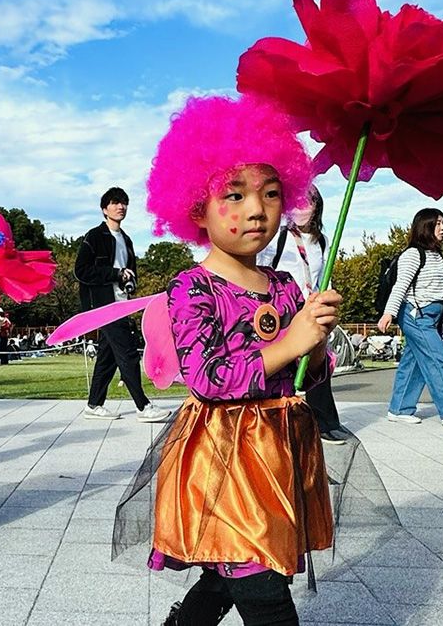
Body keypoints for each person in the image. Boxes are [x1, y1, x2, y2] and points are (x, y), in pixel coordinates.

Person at [125, 95, 340, 626]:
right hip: (225, 455)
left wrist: (314, 342)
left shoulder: (286, 285)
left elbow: (306, 376)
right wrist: (289, 342)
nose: (256, 210)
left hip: (282, 447)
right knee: (262, 586)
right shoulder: (192, 288)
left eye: (271, 194)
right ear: (196, 206)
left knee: (237, 567)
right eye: (235, 195)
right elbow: (210, 378)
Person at [258, 185, 346, 445]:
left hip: (311, 308)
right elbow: (262, 267)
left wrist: (327, 304)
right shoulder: (278, 237)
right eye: (295, 202)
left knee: (317, 362)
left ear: (317, 205)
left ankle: (326, 422)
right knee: (283, 364)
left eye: (307, 202)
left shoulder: (322, 240)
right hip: (283, 308)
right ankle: (278, 419)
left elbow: (324, 276)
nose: (301, 208)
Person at [75, 187, 169, 422]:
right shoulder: (94, 236)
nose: (121, 207)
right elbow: (81, 271)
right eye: (115, 203)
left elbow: (131, 272)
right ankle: (143, 406)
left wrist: (129, 280)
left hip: (122, 303)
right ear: (104, 208)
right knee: (127, 352)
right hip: (103, 306)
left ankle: (94, 404)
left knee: (108, 356)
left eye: (124, 203)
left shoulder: (126, 239)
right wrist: (115, 274)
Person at [377, 209, 443, 429]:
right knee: (438, 359)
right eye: (438, 223)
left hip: (429, 316)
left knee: (414, 364)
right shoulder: (413, 254)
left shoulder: (435, 255)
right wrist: (389, 313)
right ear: (425, 226)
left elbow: (430, 284)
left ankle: (399, 408)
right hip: (416, 315)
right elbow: (401, 285)